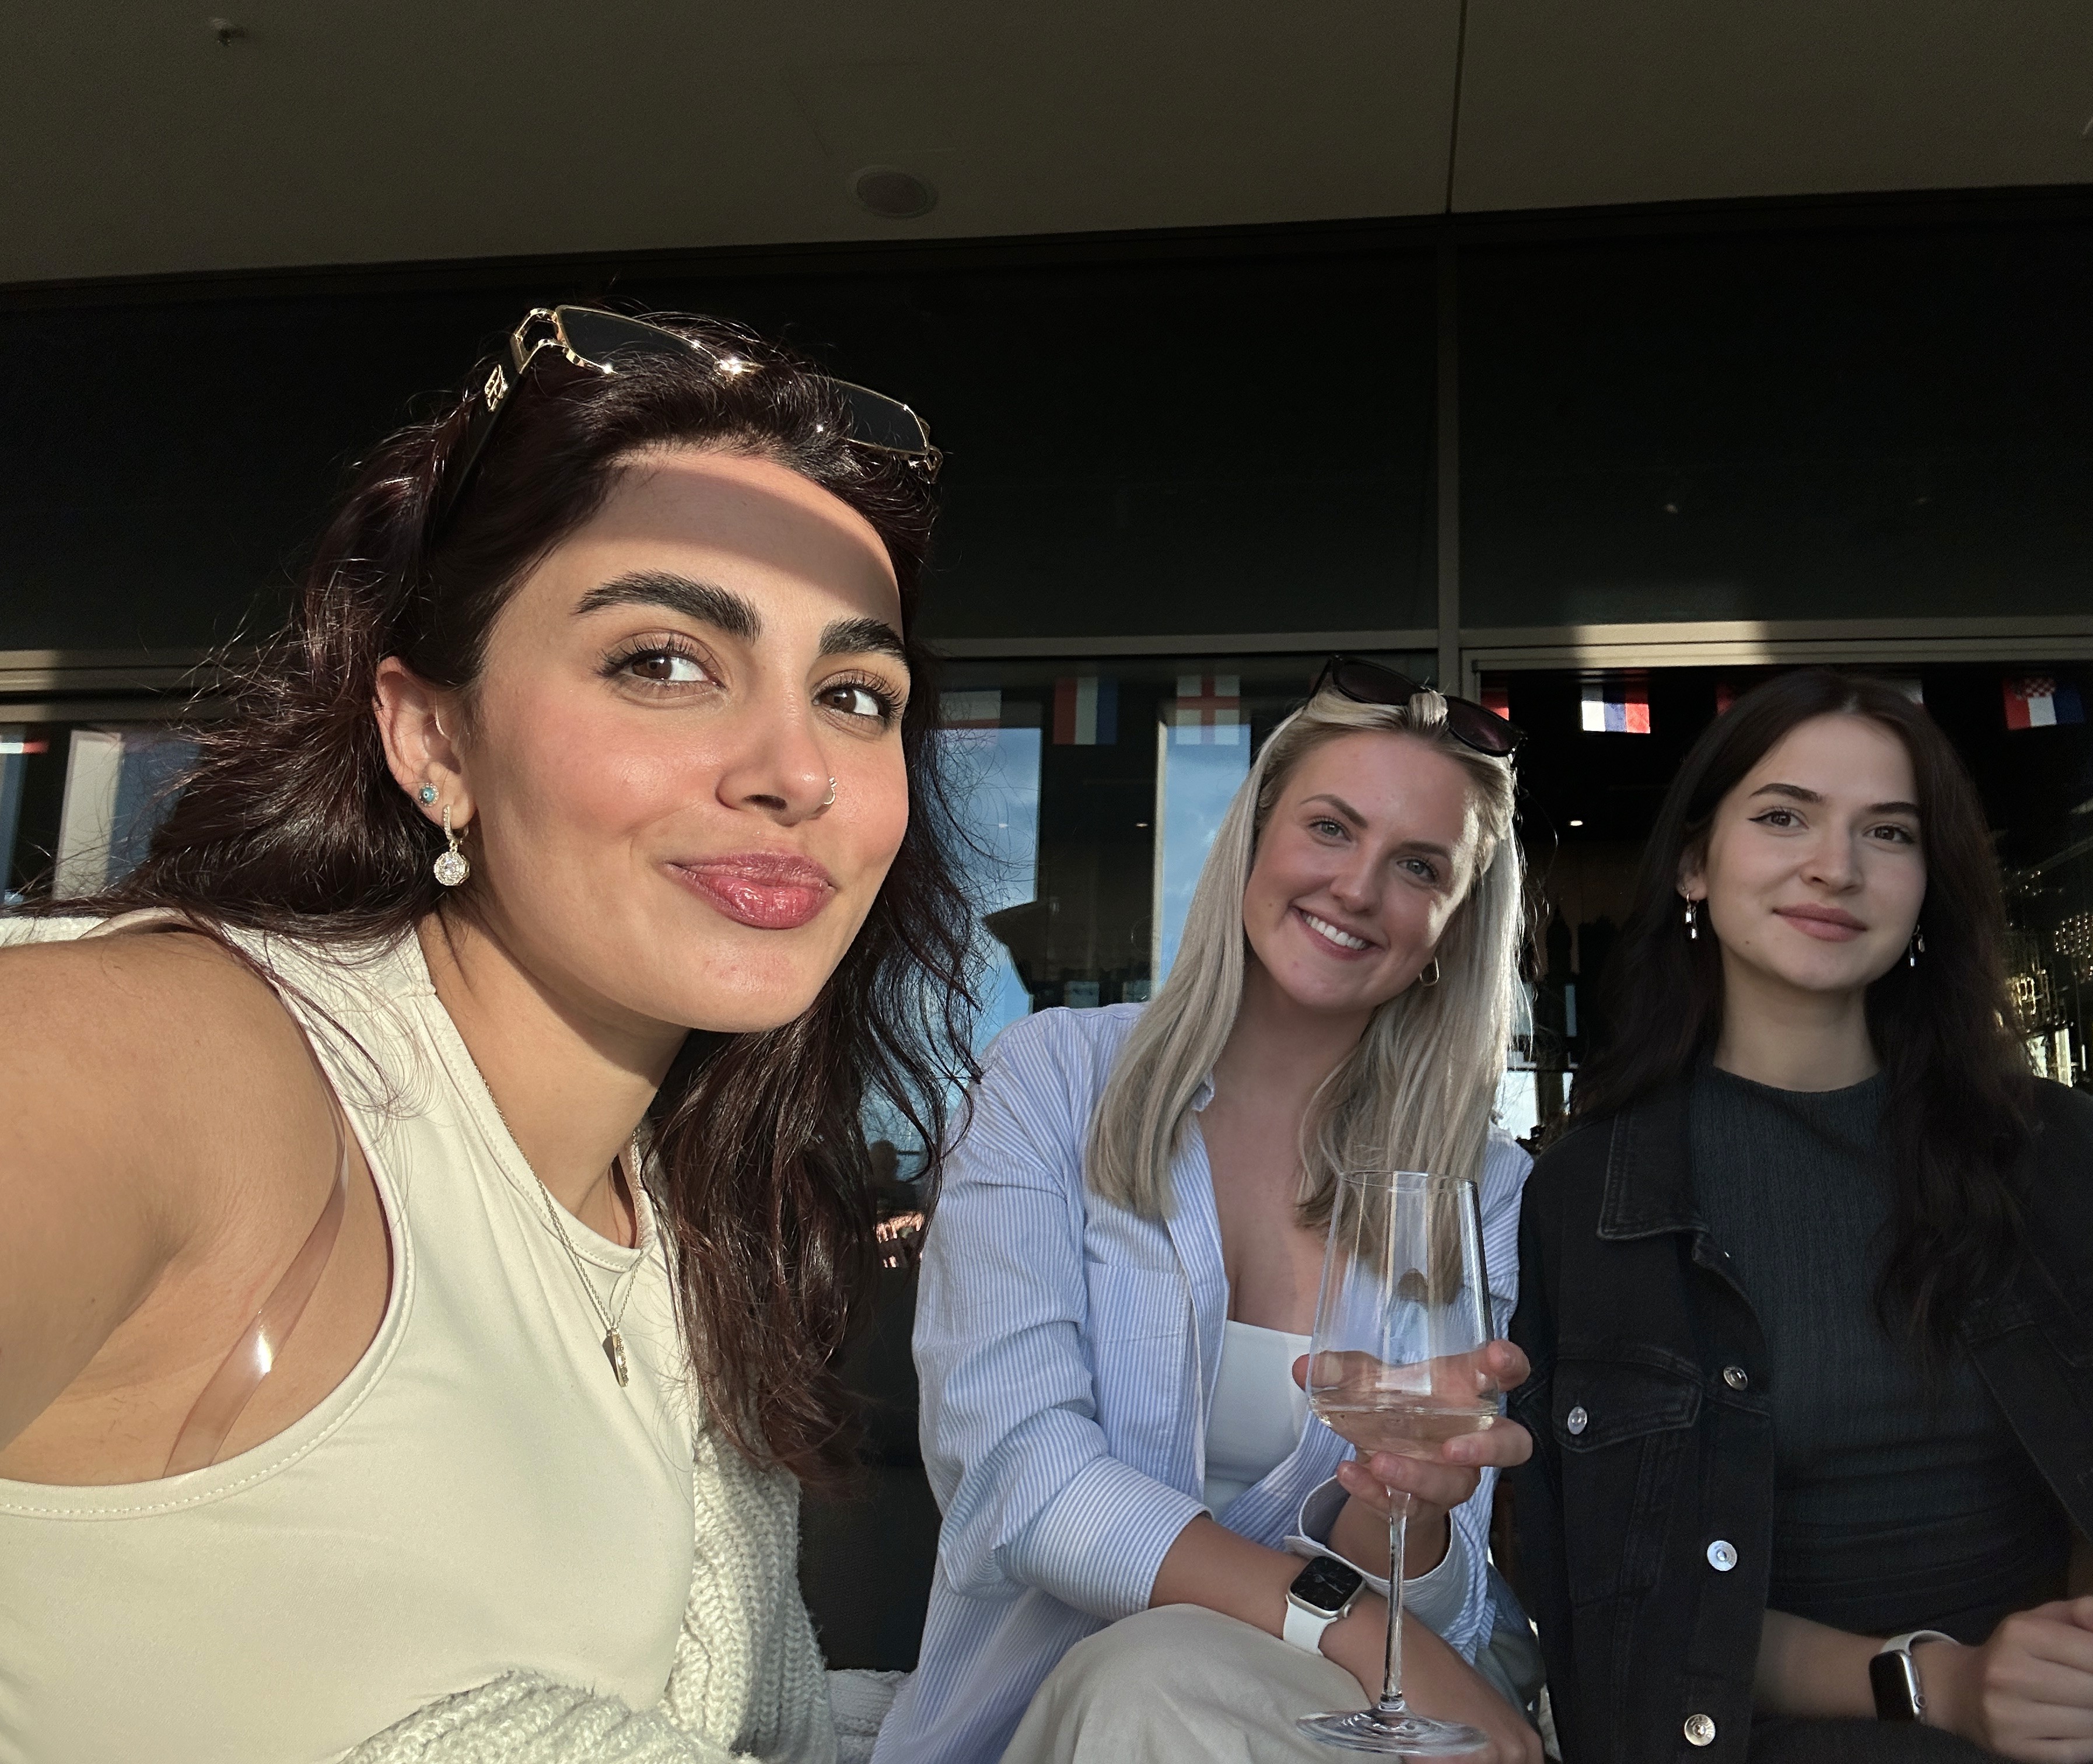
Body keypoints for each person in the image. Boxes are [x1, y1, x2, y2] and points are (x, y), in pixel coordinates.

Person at [0, 306, 972, 1762]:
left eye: (853, 694)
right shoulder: (179, 1059)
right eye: (662, 661)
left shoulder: (693, 1226)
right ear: (431, 739)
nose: (794, 771)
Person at [1509, 669, 2093, 1763]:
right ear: (1694, 866)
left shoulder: (2074, 1160)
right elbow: (1618, 1601)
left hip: (2088, 1726)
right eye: (1782, 816)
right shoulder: (1590, 1198)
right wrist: (1935, 1682)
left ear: (1927, 887)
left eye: (1889, 833)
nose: (1835, 866)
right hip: (1778, 1735)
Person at [876, 660, 1546, 1764]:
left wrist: (1409, 1512)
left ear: (1454, 929)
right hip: (1034, 1730)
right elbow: (1016, 1470)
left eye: (1418, 866)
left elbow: (1435, 1615)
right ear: (1253, 839)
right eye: (1330, 828)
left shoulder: (1481, 1182)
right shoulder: (1053, 1078)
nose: (1358, 887)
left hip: (1302, 1733)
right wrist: (1345, 1611)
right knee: (1149, 1675)